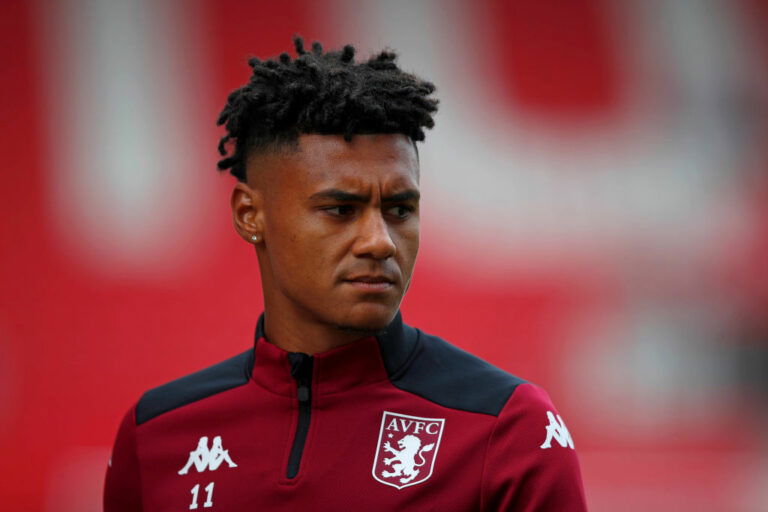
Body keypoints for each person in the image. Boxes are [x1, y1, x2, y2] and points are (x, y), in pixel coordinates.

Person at [104, 37, 587, 511]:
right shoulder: (155, 435)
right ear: (250, 215)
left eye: (400, 209)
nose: (380, 241)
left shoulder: (505, 428)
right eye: (340, 209)